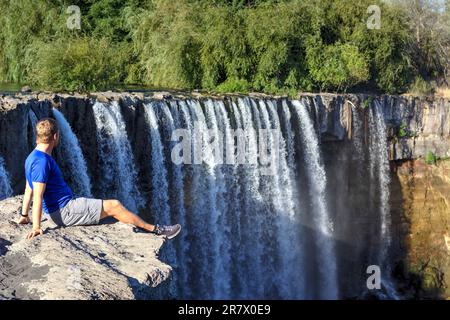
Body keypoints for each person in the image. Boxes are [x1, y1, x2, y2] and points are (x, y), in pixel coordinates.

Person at [17, 118, 181, 240]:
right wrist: (37, 226)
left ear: (38, 136)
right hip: (63, 211)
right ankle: (156, 230)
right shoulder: (42, 162)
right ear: (55, 136)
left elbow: (28, 188)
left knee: (107, 206)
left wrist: (24, 215)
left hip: (64, 206)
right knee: (114, 205)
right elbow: (37, 195)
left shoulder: (31, 157)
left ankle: (152, 228)